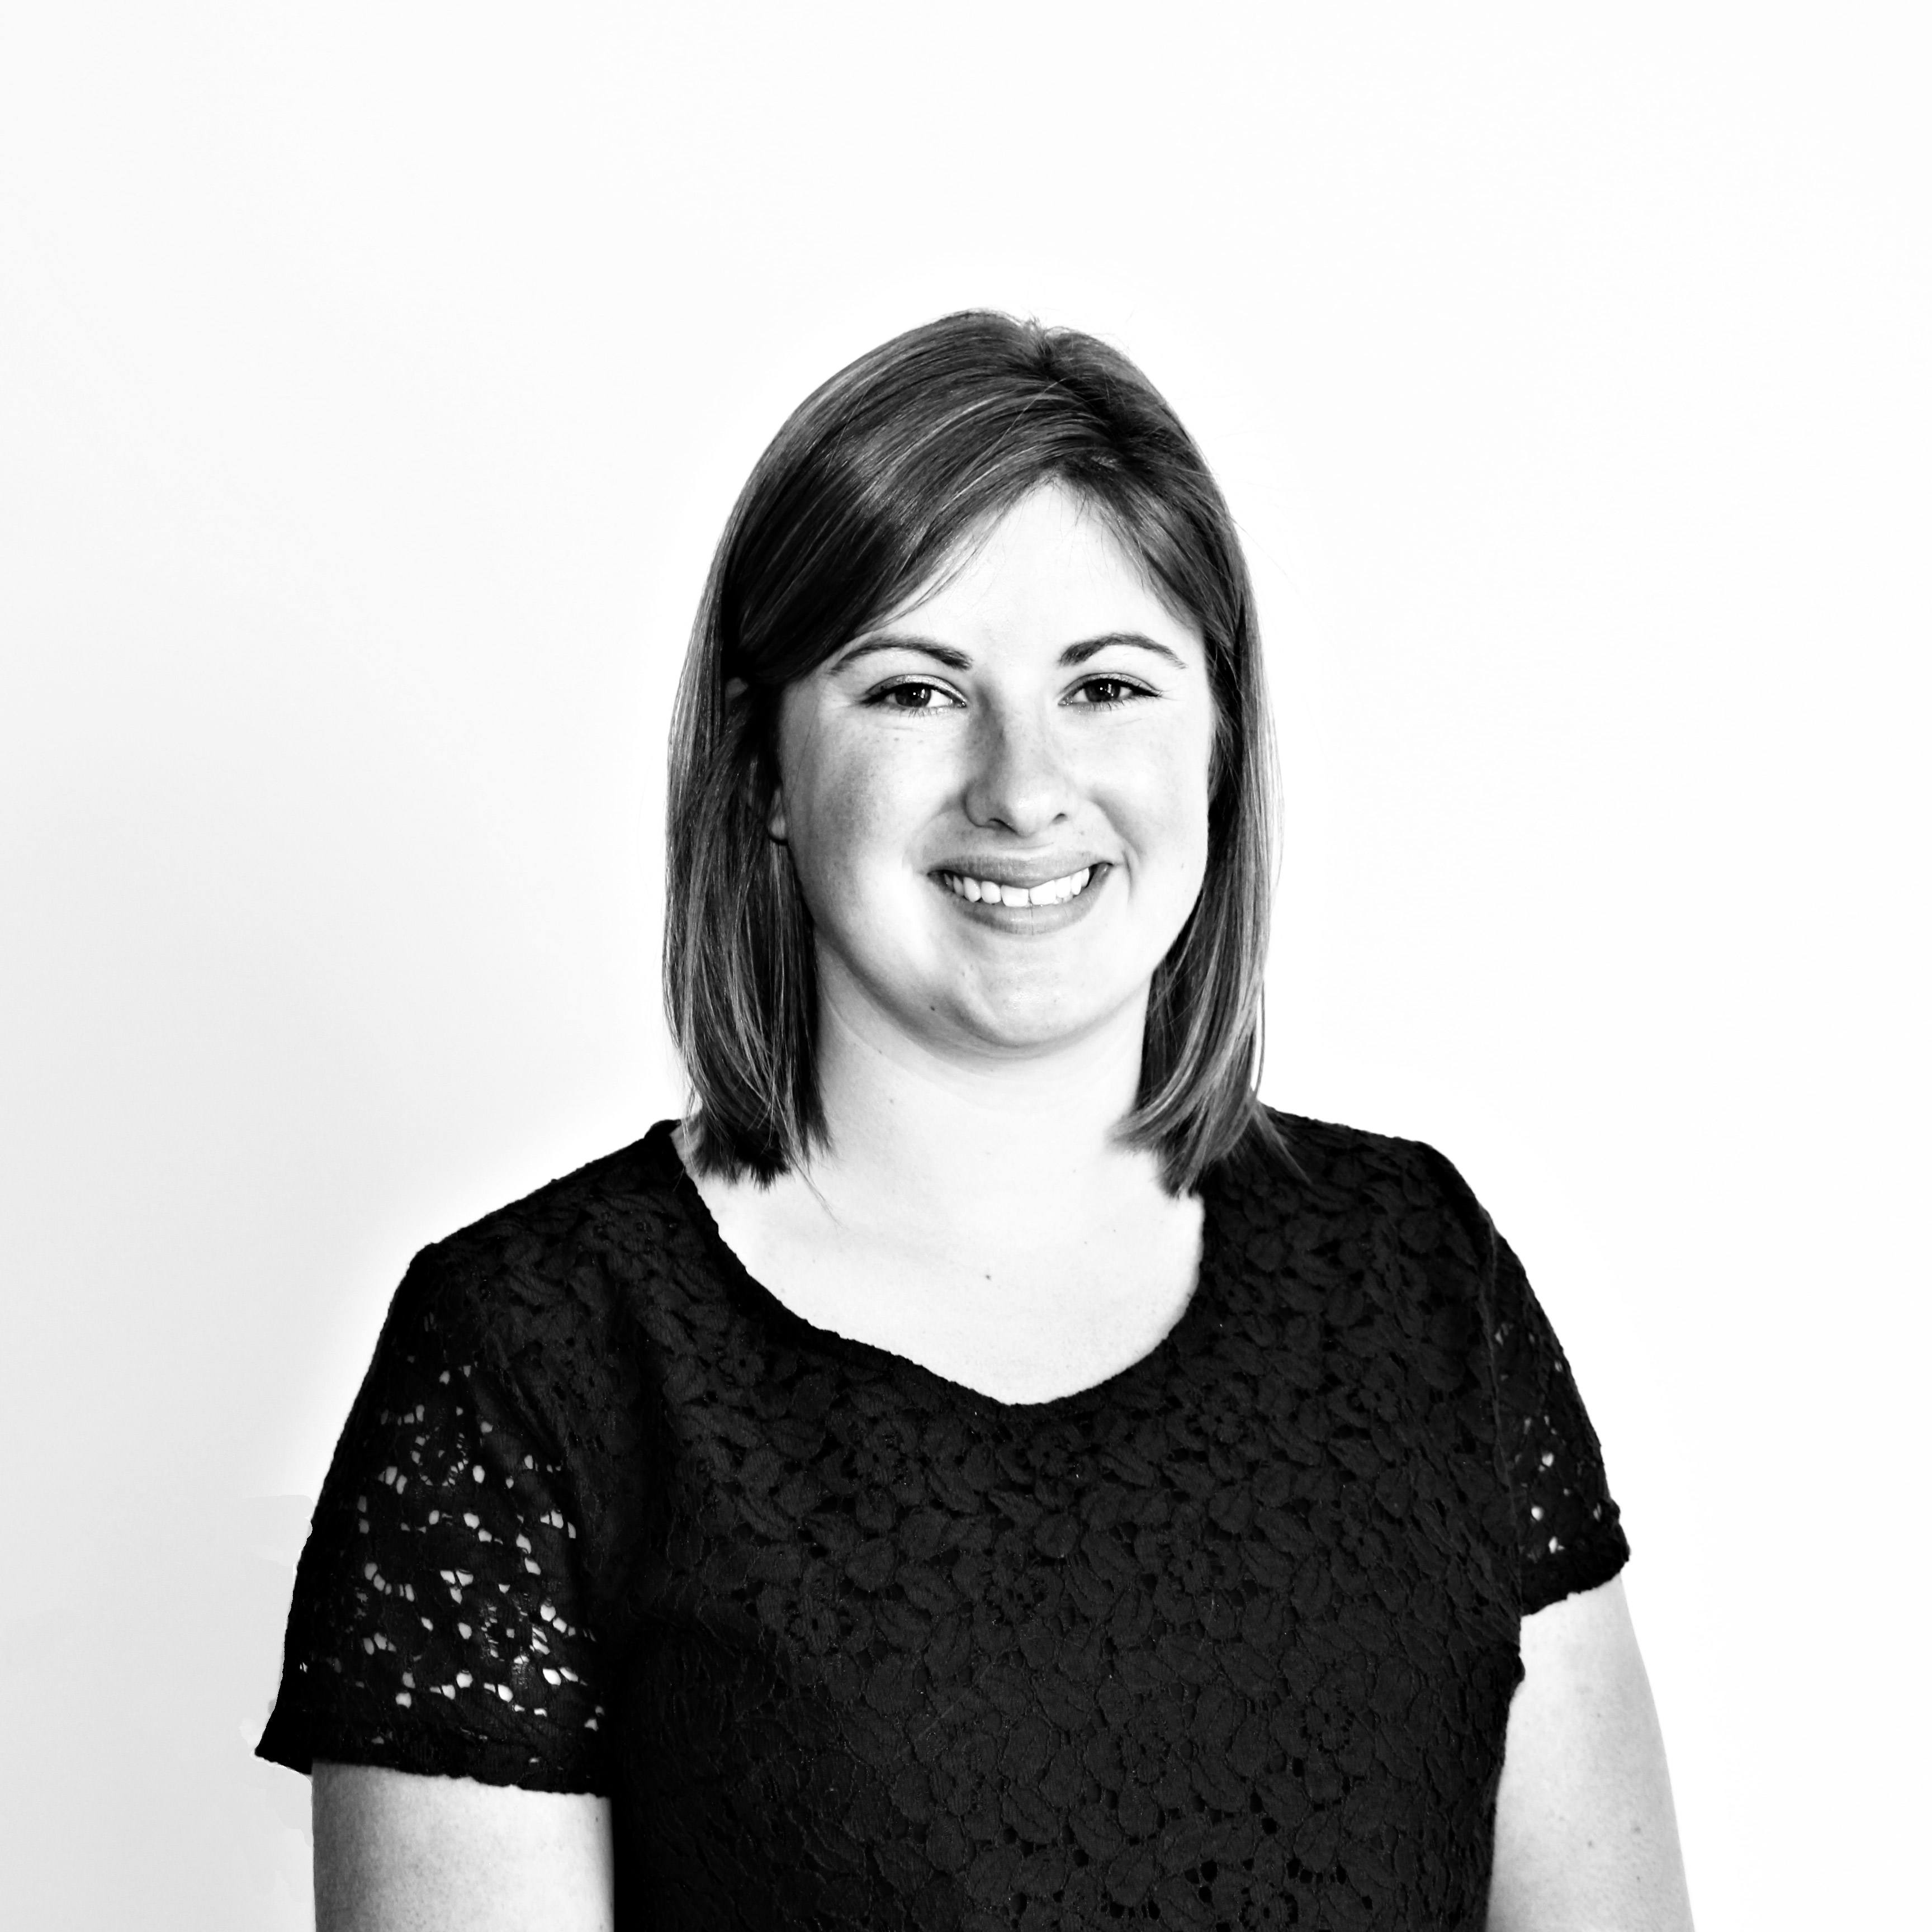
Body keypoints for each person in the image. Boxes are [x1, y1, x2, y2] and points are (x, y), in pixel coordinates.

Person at [259, 311, 1694, 1931]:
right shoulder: (533, 1356)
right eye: (917, 688)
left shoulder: (1424, 1279)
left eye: (1108, 684)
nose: (1026, 786)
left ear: (1218, 744)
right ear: (766, 772)